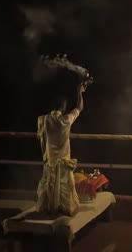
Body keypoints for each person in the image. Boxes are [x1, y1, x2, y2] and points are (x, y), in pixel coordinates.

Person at [36, 83, 86, 216]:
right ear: (63, 107)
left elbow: (42, 139)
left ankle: (48, 208)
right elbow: (79, 107)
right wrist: (79, 92)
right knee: (66, 188)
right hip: (64, 161)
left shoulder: (43, 120)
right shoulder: (66, 120)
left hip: (50, 161)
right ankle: (64, 209)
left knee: (47, 185)